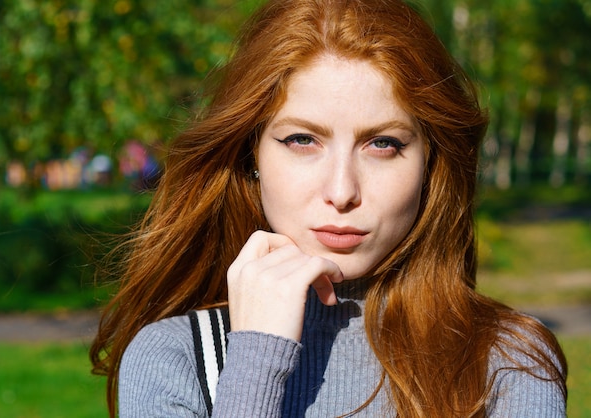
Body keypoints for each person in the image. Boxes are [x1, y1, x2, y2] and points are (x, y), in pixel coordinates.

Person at [90, 0, 567, 416]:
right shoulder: (174, 358)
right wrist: (256, 360)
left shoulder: (505, 362)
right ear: (251, 154)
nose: (342, 192)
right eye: (302, 140)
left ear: (431, 163)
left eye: (382, 143)